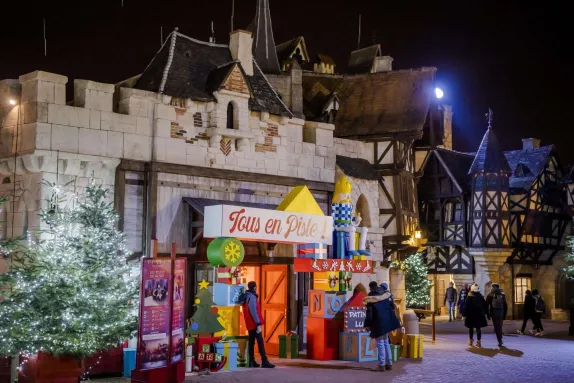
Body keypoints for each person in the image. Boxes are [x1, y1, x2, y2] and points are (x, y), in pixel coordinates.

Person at [364, 282, 402, 372]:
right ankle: (389, 364)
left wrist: (367, 325)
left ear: (370, 288)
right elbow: (392, 306)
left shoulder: (370, 298)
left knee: (380, 343)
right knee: (386, 342)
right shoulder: (386, 294)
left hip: (378, 323)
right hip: (387, 322)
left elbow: (369, 314)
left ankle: (381, 365)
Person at [237, 281, 275, 368]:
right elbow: (253, 311)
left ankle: (251, 361)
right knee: (260, 342)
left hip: (249, 323)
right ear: (254, 287)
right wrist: (258, 323)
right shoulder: (252, 297)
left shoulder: (245, 297)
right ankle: (264, 361)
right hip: (254, 323)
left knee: (251, 342)